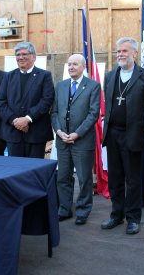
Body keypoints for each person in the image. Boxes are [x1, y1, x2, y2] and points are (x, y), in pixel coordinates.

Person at [101, 37, 144, 235]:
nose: (120, 55)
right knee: (115, 177)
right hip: (113, 133)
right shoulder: (110, 75)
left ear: (135, 53)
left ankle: (133, 218)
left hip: (133, 135)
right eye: (118, 51)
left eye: (125, 51)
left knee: (133, 180)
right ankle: (116, 215)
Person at [51, 54, 100, 225]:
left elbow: (93, 114)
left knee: (84, 177)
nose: (71, 67)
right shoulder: (61, 86)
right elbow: (55, 112)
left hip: (82, 141)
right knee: (62, 177)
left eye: (75, 64)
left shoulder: (93, 86)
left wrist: (77, 134)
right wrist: (58, 131)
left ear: (83, 66)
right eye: (69, 64)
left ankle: (83, 210)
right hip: (62, 140)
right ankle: (64, 209)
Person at [0, 42, 54, 158]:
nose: (20, 57)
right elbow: (1, 101)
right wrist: (14, 121)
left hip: (36, 133)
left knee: (34, 170)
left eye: (24, 54)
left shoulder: (44, 76)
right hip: (13, 133)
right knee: (15, 170)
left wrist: (27, 119)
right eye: (18, 54)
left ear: (34, 56)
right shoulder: (8, 76)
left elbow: (46, 101)